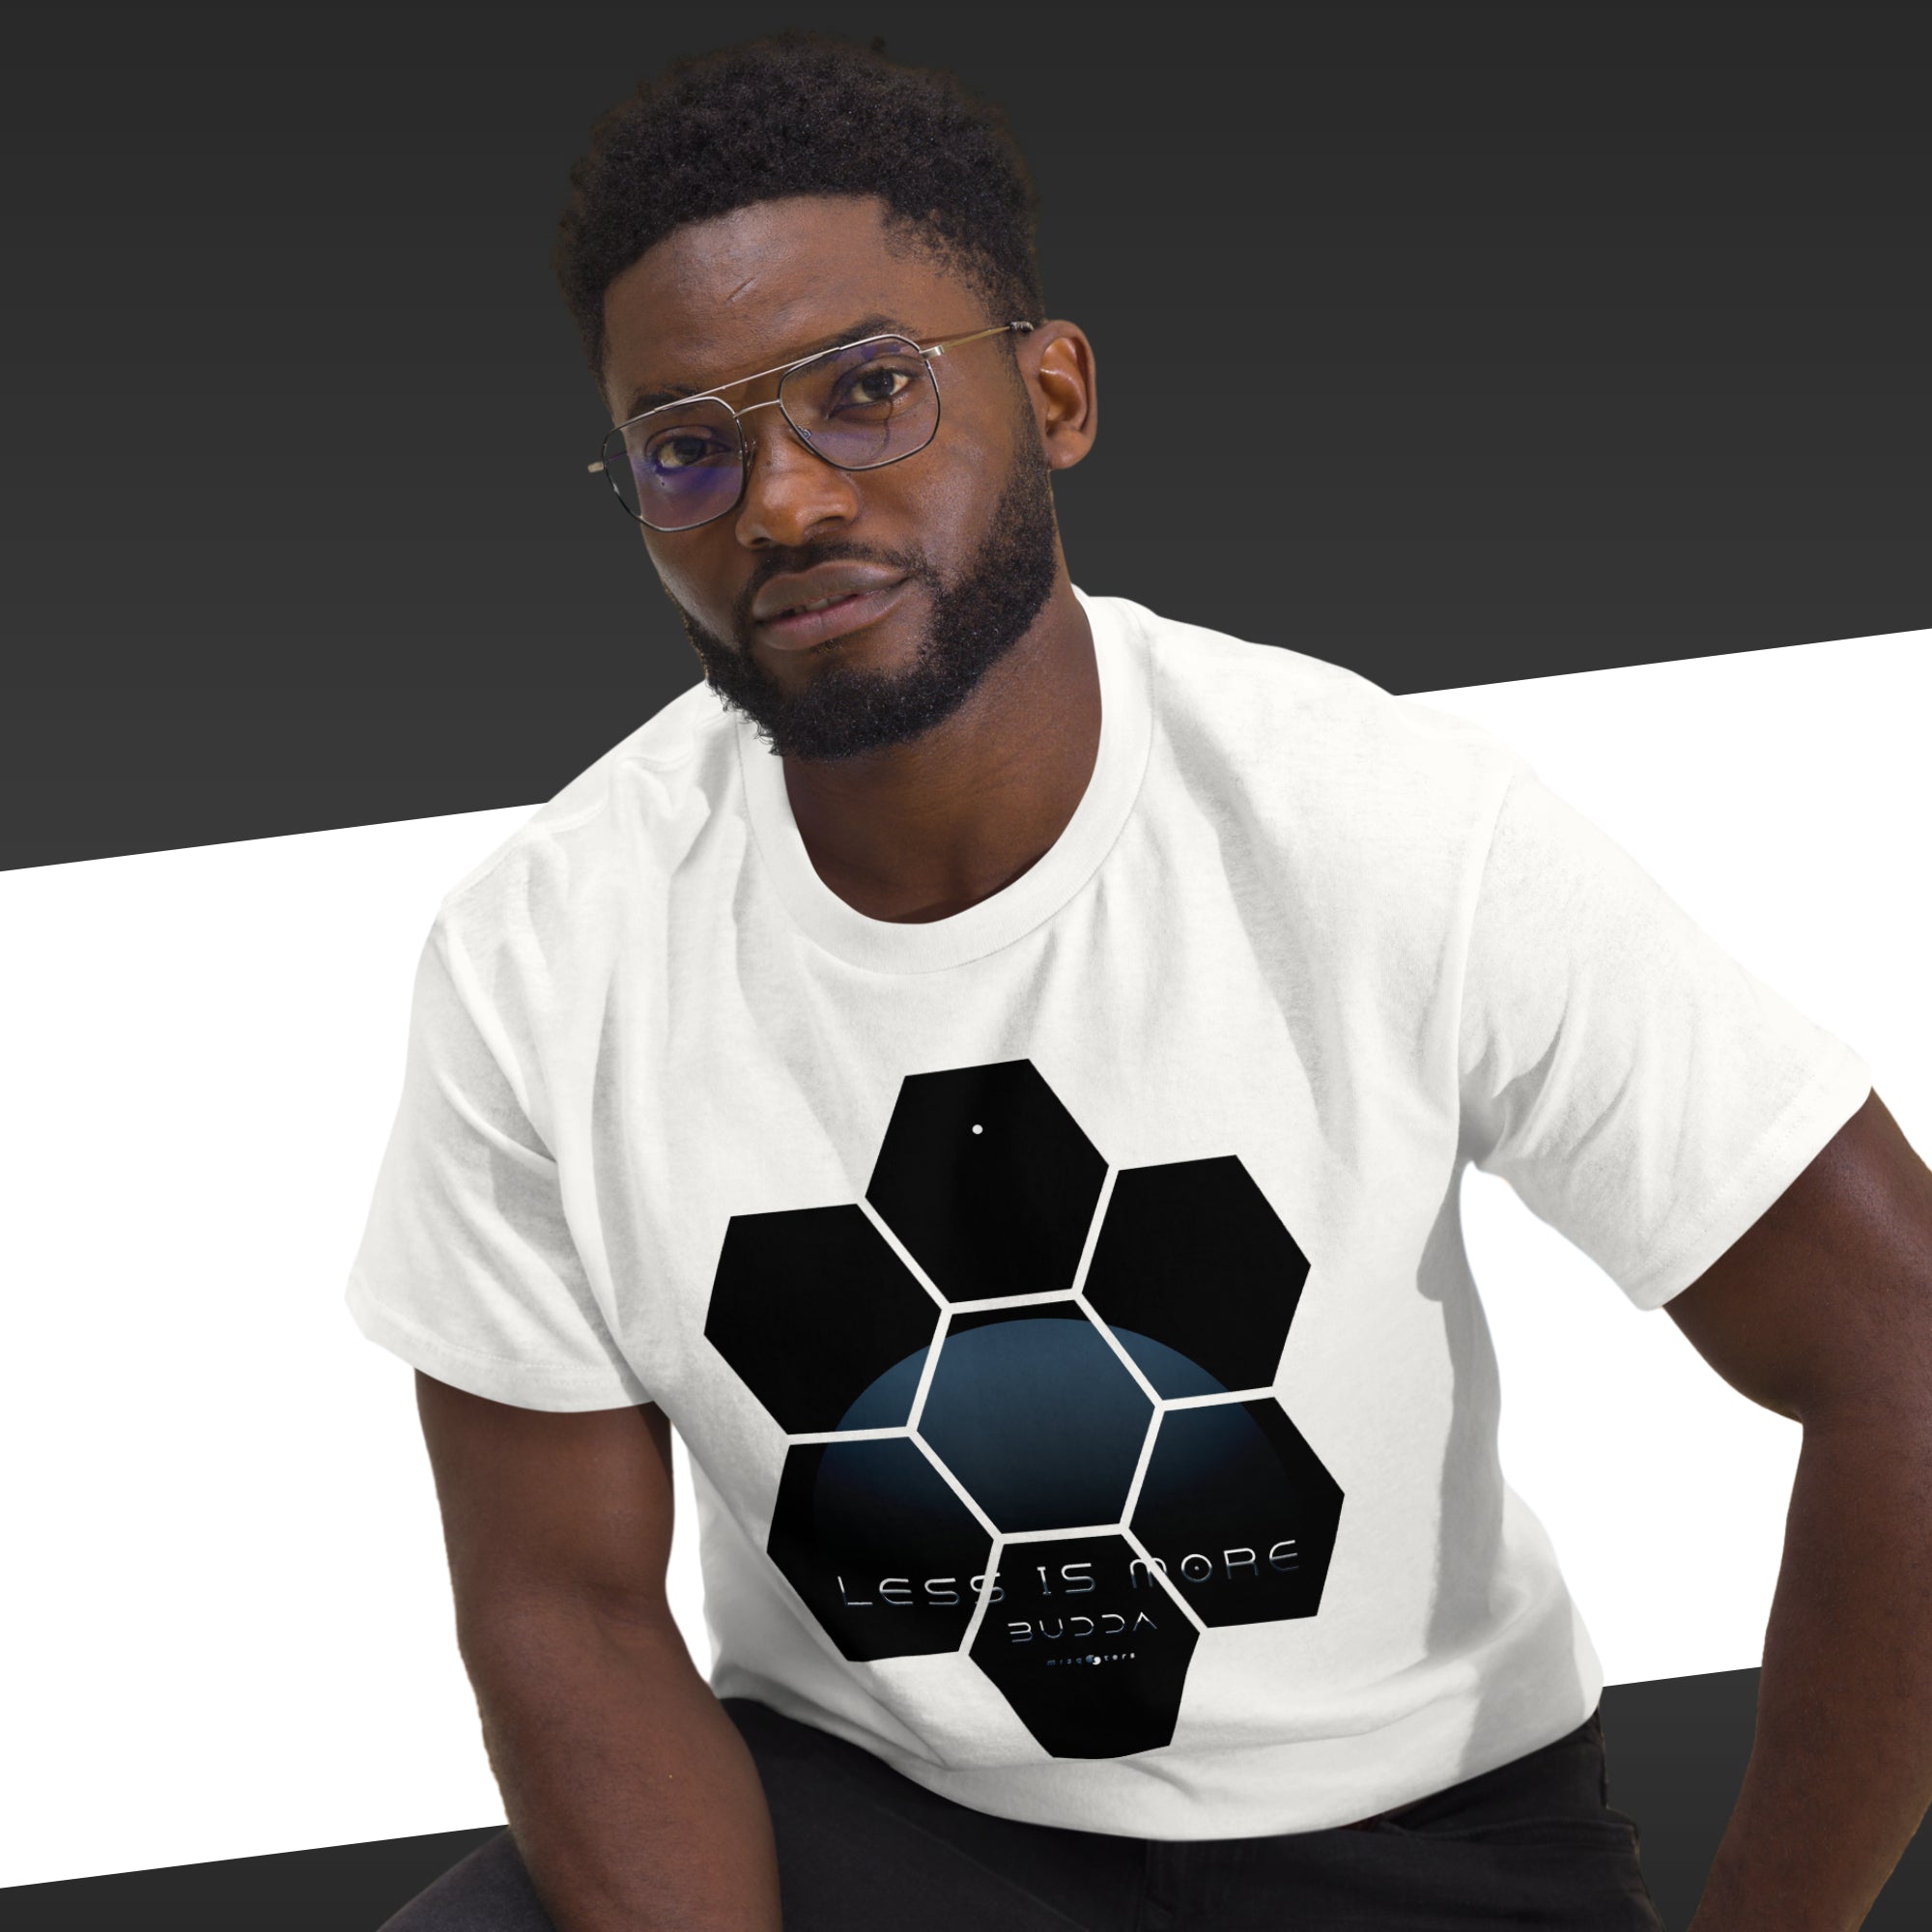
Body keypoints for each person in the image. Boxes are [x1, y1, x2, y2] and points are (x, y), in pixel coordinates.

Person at [348, 30, 1932, 1932]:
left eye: (864, 392)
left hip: (1406, 1842)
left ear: (1056, 391)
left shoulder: (1384, 829)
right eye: (688, 444)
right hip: (877, 1817)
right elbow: (565, 1601)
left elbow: (1898, 1347)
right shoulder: (546, 952)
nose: (776, 501)